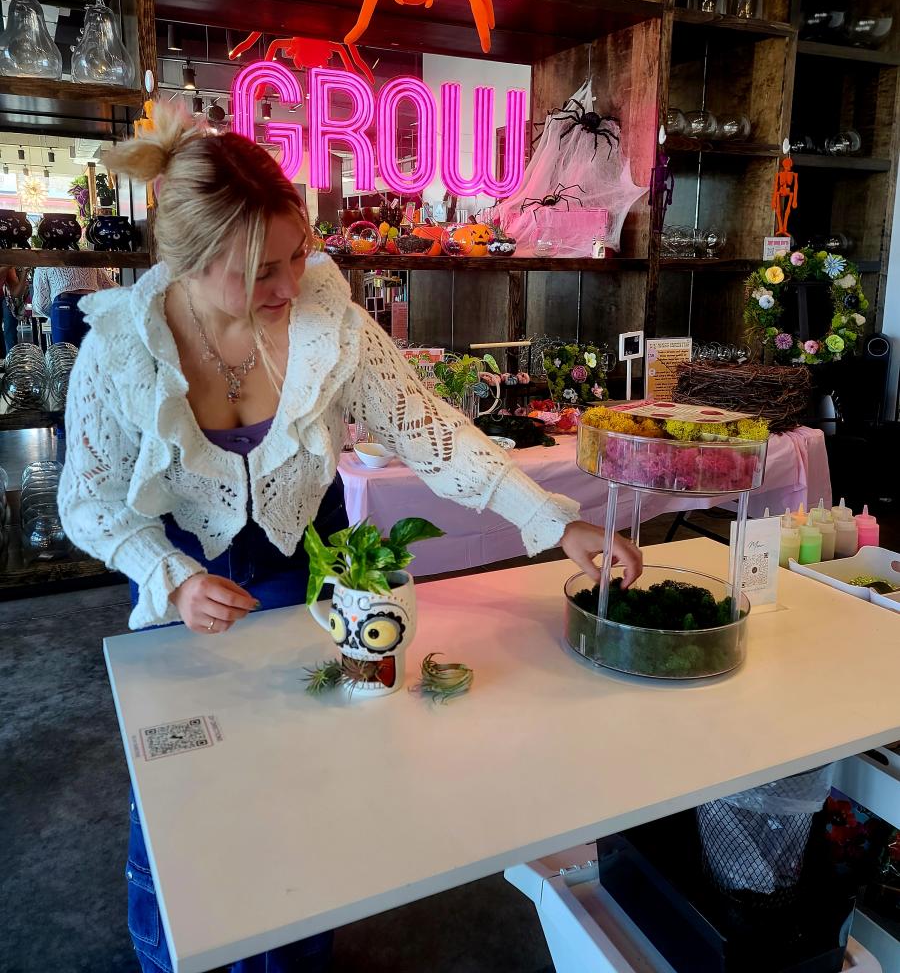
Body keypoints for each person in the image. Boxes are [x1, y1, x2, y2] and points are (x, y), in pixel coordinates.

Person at [58, 104, 642, 973]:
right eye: (264, 270)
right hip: (186, 608)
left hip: (318, 593)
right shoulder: (121, 348)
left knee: (306, 799)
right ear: (189, 263)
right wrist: (170, 574)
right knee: (189, 814)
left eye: (298, 253)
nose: (293, 283)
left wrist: (550, 518)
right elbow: (89, 501)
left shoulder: (329, 319)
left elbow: (431, 433)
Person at [31, 262, 117, 347]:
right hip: (91, 305)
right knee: (93, 354)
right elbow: (113, 290)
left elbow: (41, 305)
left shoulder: (45, 263)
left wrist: (53, 315)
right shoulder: (87, 258)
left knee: (65, 355)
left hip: (63, 307)